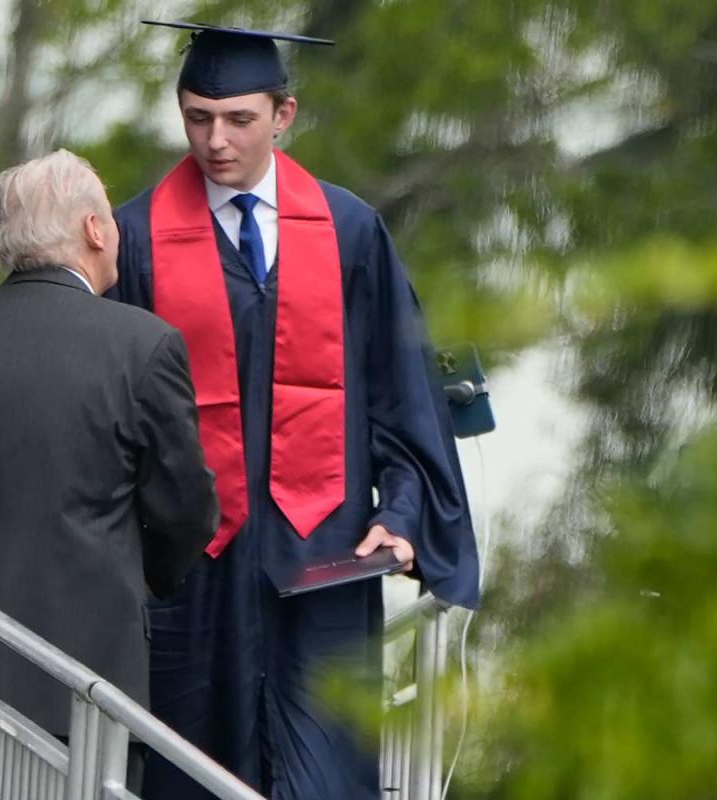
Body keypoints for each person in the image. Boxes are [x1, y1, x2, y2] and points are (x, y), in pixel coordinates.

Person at [111, 22, 481, 800]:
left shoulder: (349, 232)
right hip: (193, 569)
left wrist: (405, 513)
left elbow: (399, 394)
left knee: (323, 776)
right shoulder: (137, 236)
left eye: (239, 119)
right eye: (197, 117)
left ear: (285, 115)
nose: (216, 141)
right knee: (195, 774)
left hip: (323, 561)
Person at [0, 150, 218, 785]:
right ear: (93, 229)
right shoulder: (144, 346)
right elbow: (185, 511)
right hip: (84, 687)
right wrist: (146, 581)